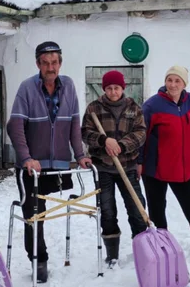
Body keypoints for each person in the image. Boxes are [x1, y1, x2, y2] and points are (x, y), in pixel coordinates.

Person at [7, 41, 92, 283]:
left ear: (60, 64)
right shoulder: (27, 88)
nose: (50, 67)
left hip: (59, 165)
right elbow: (16, 127)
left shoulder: (69, 86)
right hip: (32, 166)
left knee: (51, 211)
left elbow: (74, 125)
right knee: (33, 214)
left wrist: (80, 155)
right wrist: (25, 158)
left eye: (54, 63)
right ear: (38, 64)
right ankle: (38, 260)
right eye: (45, 63)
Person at [139, 65, 190, 256]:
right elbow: (140, 136)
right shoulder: (152, 105)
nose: (173, 84)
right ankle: (162, 243)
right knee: (157, 209)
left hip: (183, 168)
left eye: (177, 80)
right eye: (169, 80)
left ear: (184, 83)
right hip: (156, 169)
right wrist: (138, 162)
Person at [80, 70, 148, 268]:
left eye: (116, 88)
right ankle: (112, 254)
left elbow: (141, 133)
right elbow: (86, 132)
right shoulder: (94, 108)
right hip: (103, 169)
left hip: (127, 166)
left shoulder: (133, 108)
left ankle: (142, 249)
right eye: (109, 88)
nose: (113, 92)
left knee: (137, 209)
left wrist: (121, 145)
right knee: (108, 211)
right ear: (104, 89)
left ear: (123, 88)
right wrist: (104, 140)